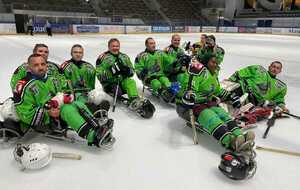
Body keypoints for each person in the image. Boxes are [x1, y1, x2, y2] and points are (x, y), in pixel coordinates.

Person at [12, 54, 115, 148]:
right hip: (43, 121)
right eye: (36, 65)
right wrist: (48, 113)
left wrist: (67, 97)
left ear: (46, 65)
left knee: (78, 103)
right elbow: (24, 112)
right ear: (29, 67)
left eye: (43, 64)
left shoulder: (53, 79)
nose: (40, 67)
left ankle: (97, 127)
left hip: (58, 114)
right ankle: (92, 136)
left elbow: (67, 92)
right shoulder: (23, 86)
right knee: (67, 109)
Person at [176, 55, 255, 153]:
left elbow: (217, 90)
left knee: (223, 115)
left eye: (216, 62)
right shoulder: (198, 72)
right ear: (206, 62)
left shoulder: (213, 74)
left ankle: (239, 135)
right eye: (213, 62)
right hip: (190, 107)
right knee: (211, 117)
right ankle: (230, 141)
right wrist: (189, 96)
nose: (215, 64)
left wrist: (231, 96)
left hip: (207, 103)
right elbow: (190, 87)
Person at [96, 38, 155, 118]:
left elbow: (132, 71)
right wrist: (112, 71)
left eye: (117, 46)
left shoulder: (124, 57)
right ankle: (121, 96)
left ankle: (134, 99)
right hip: (110, 83)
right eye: (113, 46)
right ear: (109, 47)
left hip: (123, 81)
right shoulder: (102, 58)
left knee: (130, 81)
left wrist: (127, 70)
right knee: (118, 91)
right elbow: (99, 76)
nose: (115, 48)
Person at [61, 44, 110, 112]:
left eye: (80, 52)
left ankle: (97, 111)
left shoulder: (89, 67)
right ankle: (90, 111)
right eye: (75, 52)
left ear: (83, 54)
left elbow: (91, 85)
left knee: (103, 100)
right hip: (73, 94)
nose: (78, 54)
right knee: (83, 101)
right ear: (71, 53)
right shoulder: (65, 67)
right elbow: (62, 85)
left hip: (87, 93)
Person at [135, 37, 180, 103]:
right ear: (146, 45)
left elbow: (169, 60)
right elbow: (138, 68)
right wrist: (142, 73)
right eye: (151, 43)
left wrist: (177, 61)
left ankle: (171, 92)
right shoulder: (141, 56)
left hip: (160, 75)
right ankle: (165, 94)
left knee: (166, 81)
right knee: (156, 83)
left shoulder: (160, 53)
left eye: (154, 43)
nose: (153, 45)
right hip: (149, 78)